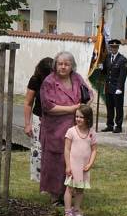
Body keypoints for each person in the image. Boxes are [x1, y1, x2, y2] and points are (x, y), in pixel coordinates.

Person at [39, 51, 92, 205]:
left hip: (76, 127)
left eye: (66, 64)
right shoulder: (49, 82)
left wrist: (83, 110)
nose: (63, 67)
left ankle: (70, 191)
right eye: (60, 63)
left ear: (72, 66)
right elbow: (48, 106)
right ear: (55, 65)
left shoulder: (77, 78)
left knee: (74, 159)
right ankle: (55, 195)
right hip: (55, 129)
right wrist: (73, 109)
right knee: (55, 161)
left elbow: (88, 95)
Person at [63, 104, 97, 216]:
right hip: (73, 166)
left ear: (88, 118)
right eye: (76, 116)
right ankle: (68, 211)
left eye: (81, 117)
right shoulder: (71, 131)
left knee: (80, 189)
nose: (78, 119)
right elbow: (67, 149)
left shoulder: (91, 133)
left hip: (84, 167)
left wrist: (90, 164)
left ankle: (77, 209)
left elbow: (94, 150)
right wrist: (68, 165)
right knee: (70, 188)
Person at [24, 57, 54, 182]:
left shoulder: (59, 79)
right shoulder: (35, 80)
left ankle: (52, 177)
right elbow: (28, 103)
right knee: (38, 148)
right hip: (38, 117)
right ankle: (38, 178)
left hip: (55, 119)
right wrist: (27, 124)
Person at [100, 39, 127, 133]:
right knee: (109, 107)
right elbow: (105, 72)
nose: (114, 49)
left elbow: (122, 75)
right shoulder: (107, 58)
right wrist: (100, 67)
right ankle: (110, 125)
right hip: (108, 87)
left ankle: (118, 126)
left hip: (117, 88)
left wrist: (119, 88)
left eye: (115, 47)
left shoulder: (122, 59)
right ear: (110, 48)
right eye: (112, 47)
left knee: (118, 108)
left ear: (118, 47)